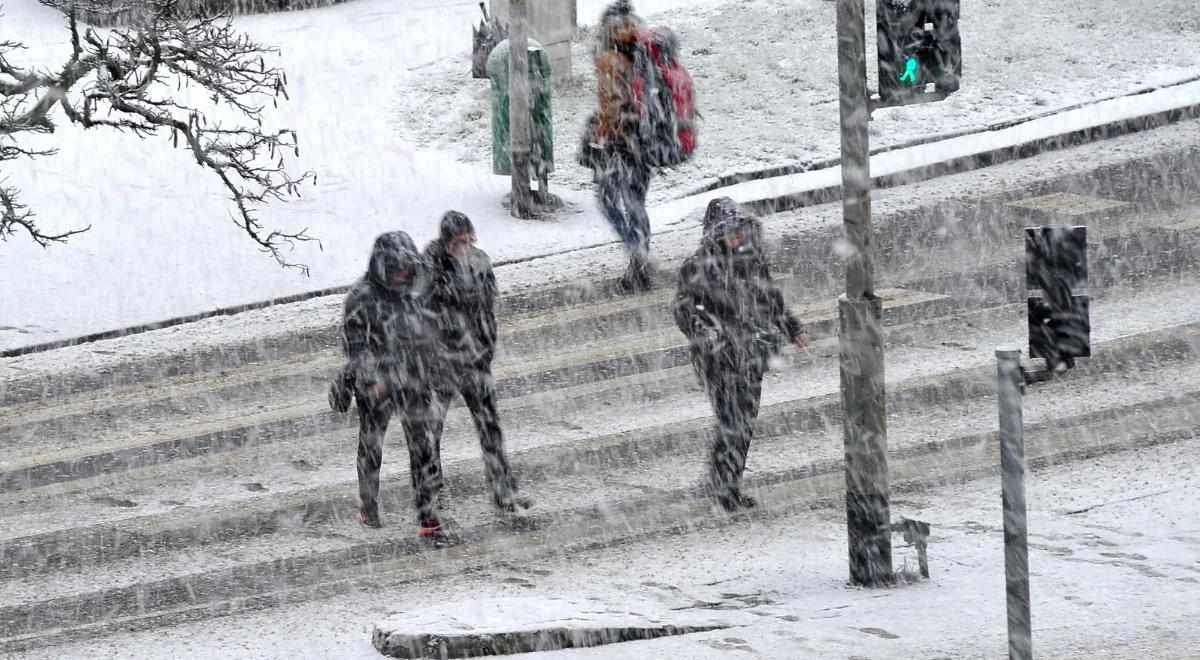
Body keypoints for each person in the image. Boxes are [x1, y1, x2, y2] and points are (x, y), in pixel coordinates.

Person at [672, 198, 811, 511]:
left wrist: (792, 328)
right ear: (715, 233)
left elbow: (771, 298)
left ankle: (728, 484)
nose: (736, 236)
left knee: (744, 424)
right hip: (717, 361)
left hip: (751, 354)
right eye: (730, 231)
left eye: (740, 230)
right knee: (730, 423)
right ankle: (723, 488)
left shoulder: (752, 260)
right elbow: (683, 310)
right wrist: (707, 334)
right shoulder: (697, 267)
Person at [423, 211, 530, 513]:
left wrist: (485, 346)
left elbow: (487, 308)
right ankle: (430, 492)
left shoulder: (480, 262)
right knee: (431, 431)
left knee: (490, 428)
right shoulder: (429, 268)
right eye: (459, 242)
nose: (465, 247)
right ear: (446, 242)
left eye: (469, 240)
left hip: (475, 361)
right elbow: (425, 317)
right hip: (442, 364)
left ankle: (503, 490)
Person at [342, 231, 447, 535]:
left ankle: (426, 511)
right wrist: (375, 380)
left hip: (412, 379)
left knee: (423, 444)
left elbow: (429, 335)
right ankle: (368, 506)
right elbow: (356, 348)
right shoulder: (361, 299)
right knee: (371, 446)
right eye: (397, 267)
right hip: (378, 386)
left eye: (407, 267)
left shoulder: (413, 293)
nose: (403, 273)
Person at [590, 0, 655, 293]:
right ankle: (639, 263)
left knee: (607, 199)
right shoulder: (645, 52)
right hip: (647, 139)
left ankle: (637, 254)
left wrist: (599, 135)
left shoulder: (611, 59)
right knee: (635, 202)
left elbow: (613, 108)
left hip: (621, 143)